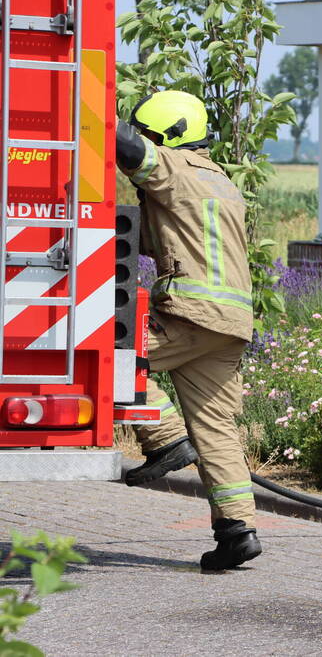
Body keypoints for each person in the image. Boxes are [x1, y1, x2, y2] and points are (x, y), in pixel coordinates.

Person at [115, 90, 261, 571]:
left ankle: (167, 438)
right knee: (217, 429)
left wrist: (84, 105)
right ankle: (237, 531)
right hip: (232, 322)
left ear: (166, 134)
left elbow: (129, 149)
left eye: (148, 132)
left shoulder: (175, 168)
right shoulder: (221, 180)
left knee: (109, 359)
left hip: (192, 311)